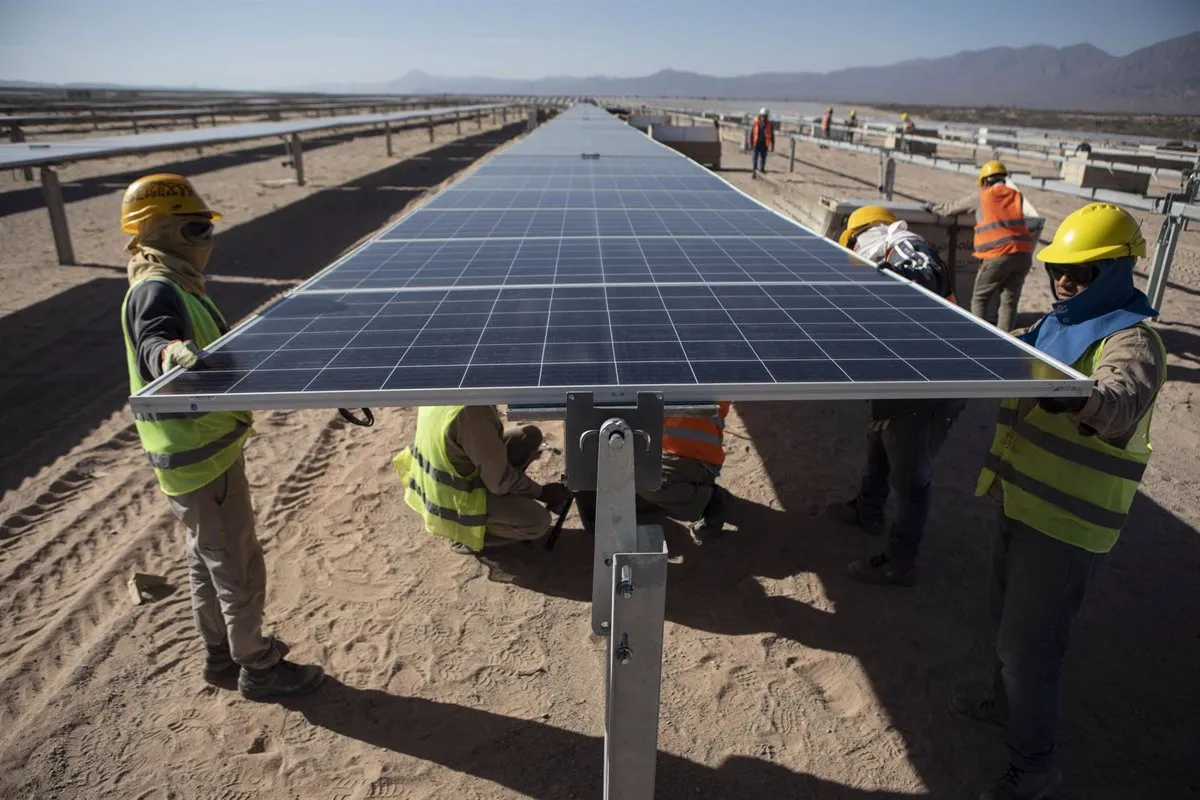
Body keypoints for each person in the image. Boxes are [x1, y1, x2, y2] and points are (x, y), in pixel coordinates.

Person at [958, 202, 1165, 800]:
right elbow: (1013, 348)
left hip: (1069, 524)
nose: (1063, 283)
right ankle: (1004, 709)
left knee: (1029, 649)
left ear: (1116, 272)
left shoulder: (1133, 339)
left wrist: (1074, 397)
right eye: (1057, 271)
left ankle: (1035, 763)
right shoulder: (1059, 323)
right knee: (1005, 630)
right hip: (1023, 500)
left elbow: (1120, 399)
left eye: (1079, 273)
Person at [120, 173, 324, 701]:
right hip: (201, 458)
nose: (207, 240)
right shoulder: (156, 288)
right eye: (196, 228)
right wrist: (170, 357)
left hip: (192, 456)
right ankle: (258, 666)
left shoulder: (175, 282)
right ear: (160, 229)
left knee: (205, 558)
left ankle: (218, 656)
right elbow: (153, 343)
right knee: (237, 566)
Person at [827, 205, 965, 586]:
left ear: (865, 233)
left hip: (928, 386)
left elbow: (922, 280)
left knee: (910, 480)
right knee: (878, 445)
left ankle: (901, 562)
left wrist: (886, 287)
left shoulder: (905, 248)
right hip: (900, 377)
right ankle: (867, 512)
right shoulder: (883, 256)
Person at [394, 406, 571, 554]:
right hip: (450, 501)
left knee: (528, 435)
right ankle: (466, 536)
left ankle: (494, 510)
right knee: (537, 521)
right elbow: (499, 482)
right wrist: (542, 493)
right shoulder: (473, 414)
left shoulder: (446, 389)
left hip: (442, 476)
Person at [576, 403, 734, 543]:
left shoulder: (700, 378)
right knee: (601, 465)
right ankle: (653, 500)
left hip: (698, 458)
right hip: (663, 451)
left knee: (646, 481)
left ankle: (709, 500)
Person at [934, 160, 1038, 332]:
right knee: (1009, 301)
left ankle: (978, 335)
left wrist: (934, 208)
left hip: (998, 254)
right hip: (1023, 253)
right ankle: (1008, 339)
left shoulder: (983, 196)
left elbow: (951, 209)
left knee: (980, 298)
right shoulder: (1016, 195)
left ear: (984, 182)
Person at [749, 107, 774, 178]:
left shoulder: (770, 124)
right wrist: (751, 144)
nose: (764, 117)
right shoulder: (756, 123)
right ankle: (754, 172)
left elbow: (772, 135)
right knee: (755, 158)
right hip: (756, 144)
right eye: (762, 116)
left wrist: (772, 145)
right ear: (760, 115)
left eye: (765, 116)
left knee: (763, 158)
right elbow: (752, 134)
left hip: (764, 144)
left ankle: (762, 170)